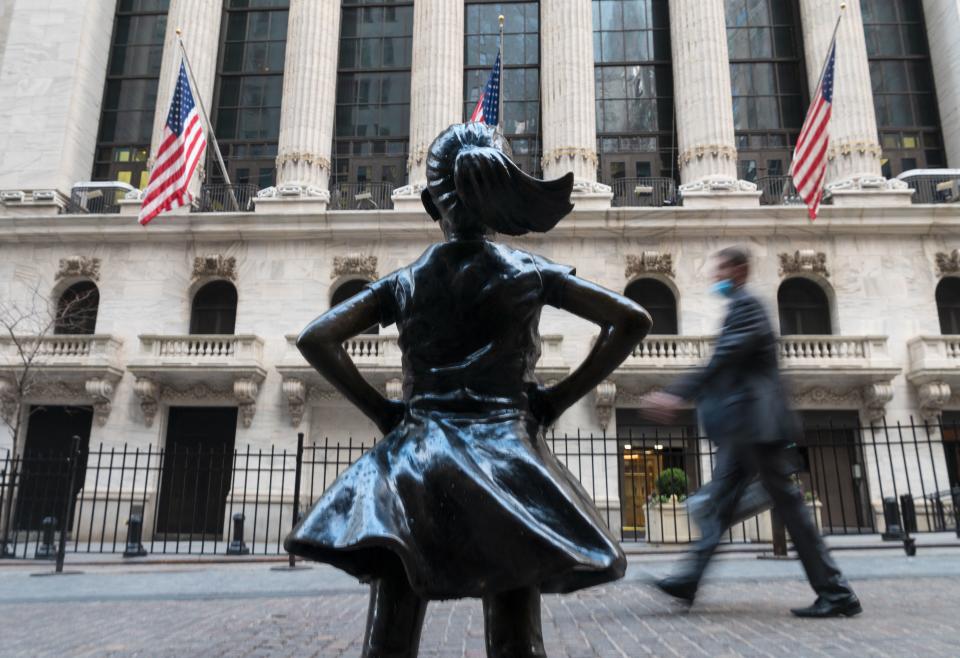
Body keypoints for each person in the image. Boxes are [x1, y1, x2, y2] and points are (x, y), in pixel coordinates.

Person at [285, 122, 652, 657]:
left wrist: (384, 413)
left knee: (391, 629)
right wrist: (555, 400)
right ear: (499, 195)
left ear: (434, 203)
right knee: (515, 635)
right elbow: (632, 319)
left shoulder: (405, 280)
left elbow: (318, 338)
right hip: (507, 459)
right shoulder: (529, 270)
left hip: (413, 458)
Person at [640, 246, 862, 618]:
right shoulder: (740, 307)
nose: (716, 277)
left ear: (739, 271)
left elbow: (723, 357)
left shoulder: (748, 307)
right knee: (719, 507)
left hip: (758, 427)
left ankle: (836, 591)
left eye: (722, 269)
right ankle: (689, 579)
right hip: (743, 430)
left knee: (789, 510)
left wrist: (675, 393)